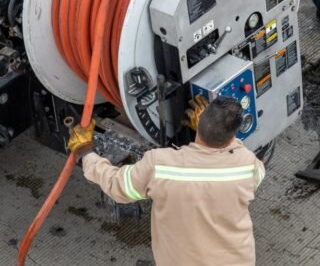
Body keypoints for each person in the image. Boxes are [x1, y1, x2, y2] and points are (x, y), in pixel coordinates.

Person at [67, 97, 266, 265]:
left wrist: (85, 151)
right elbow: (244, 159)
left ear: (201, 123)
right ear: (232, 136)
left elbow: (118, 185)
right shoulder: (248, 166)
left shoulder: (160, 166)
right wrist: (216, 133)